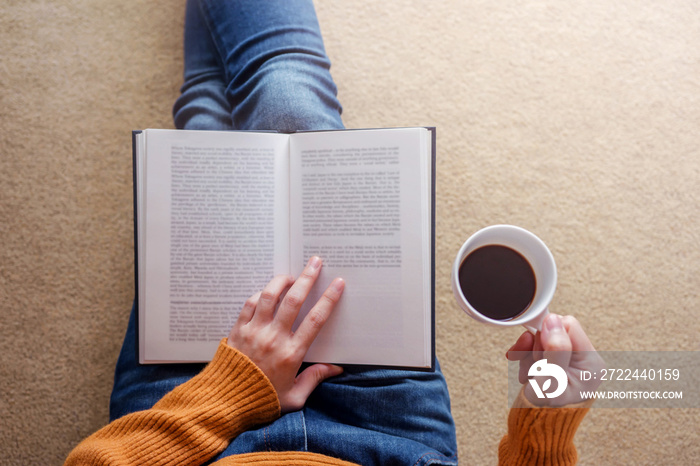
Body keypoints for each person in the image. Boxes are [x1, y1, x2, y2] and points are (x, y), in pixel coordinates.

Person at [66, 1, 602, 464]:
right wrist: (547, 424)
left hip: (202, 415)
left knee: (206, 142)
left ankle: (208, 107)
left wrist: (234, 390)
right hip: (386, 434)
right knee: (286, 101)